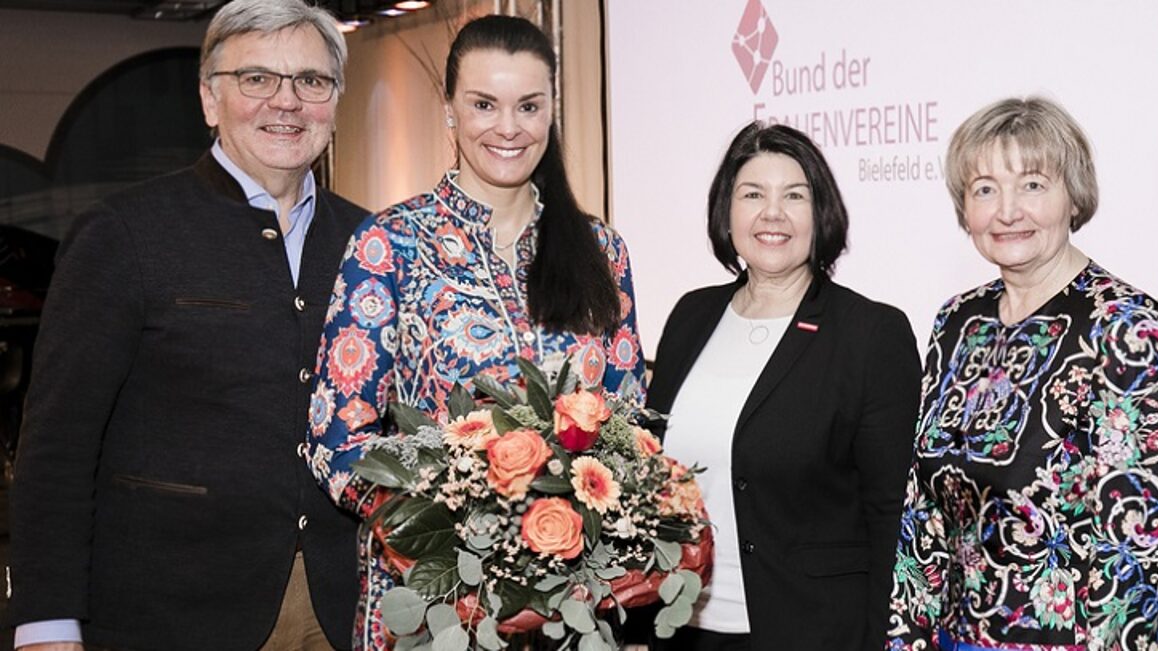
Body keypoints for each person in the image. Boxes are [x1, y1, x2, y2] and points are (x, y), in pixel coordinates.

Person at [5, 1, 366, 649]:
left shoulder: (371, 242)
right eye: (257, 78)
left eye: (312, 81)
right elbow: (57, 447)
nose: (286, 102)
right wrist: (46, 618)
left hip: (344, 612)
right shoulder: (124, 234)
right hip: (172, 611)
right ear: (209, 98)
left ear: (334, 101)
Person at [303, 15, 645, 649]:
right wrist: (456, 514)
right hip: (431, 604)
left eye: (529, 106)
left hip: (574, 603)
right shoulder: (389, 245)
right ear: (450, 111)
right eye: (484, 104)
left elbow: (629, 422)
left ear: (551, 112)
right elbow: (336, 440)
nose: (508, 127)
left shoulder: (601, 250)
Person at [885, 97, 1158, 651]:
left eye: (1032, 184)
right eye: (984, 189)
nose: (1006, 211)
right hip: (960, 638)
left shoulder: (1126, 327)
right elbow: (922, 509)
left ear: (1073, 195)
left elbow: (1136, 547)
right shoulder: (956, 319)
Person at [642, 122, 920, 650]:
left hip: (810, 631)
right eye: (753, 195)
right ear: (728, 212)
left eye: (795, 196)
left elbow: (891, 515)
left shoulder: (869, 333)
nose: (773, 213)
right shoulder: (691, 315)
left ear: (823, 215)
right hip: (682, 630)